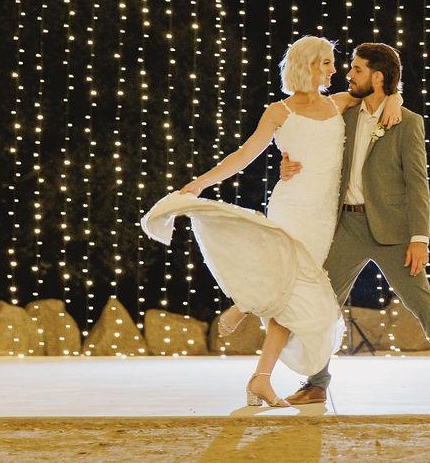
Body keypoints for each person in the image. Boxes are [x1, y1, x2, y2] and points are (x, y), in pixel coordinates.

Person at [141, 35, 402, 408]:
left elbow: (380, 92)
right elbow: (244, 155)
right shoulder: (279, 112)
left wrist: (395, 98)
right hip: (292, 206)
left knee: (292, 296)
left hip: (323, 216)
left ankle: (259, 372)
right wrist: (199, 184)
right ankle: (247, 311)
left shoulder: (339, 103)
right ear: (308, 66)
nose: (336, 69)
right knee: (288, 279)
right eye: (327, 62)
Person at [280, 42, 430, 408]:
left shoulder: (408, 122)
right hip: (346, 226)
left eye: (356, 69)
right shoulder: (344, 113)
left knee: (425, 305)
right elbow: (309, 139)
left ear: (376, 77)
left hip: (395, 232)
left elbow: (418, 184)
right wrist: (287, 162)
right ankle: (316, 383)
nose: (348, 74)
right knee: (322, 303)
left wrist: (419, 238)